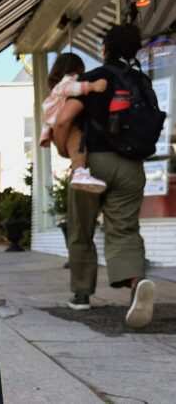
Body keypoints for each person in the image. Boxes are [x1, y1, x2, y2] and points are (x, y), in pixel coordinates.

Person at [53, 23, 156, 328]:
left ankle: (82, 295)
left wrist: (65, 151)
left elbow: (63, 120)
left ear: (105, 49)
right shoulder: (141, 81)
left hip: (92, 163)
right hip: (131, 166)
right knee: (124, 229)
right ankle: (136, 284)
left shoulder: (94, 78)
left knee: (81, 230)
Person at [40, 53, 108, 193]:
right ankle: (79, 171)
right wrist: (92, 86)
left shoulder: (57, 87)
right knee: (77, 143)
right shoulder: (67, 82)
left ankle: (78, 171)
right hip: (62, 126)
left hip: (55, 127)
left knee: (75, 146)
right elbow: (71, 88)